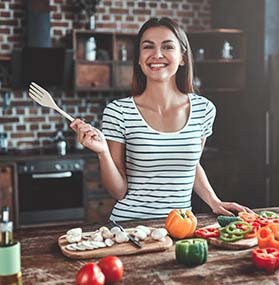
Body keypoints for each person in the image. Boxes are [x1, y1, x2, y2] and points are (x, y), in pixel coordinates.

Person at [70, 17, 251, 221]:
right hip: (131, 229)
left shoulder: (204, 109)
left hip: (181, 228)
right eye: (148, 47)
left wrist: (214, 201)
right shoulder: (118, 111)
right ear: (139, 58)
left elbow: (191, 165)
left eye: (167, 46)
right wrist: (103, 152)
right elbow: (118, 192)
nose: (157, 54)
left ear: (182, 57)